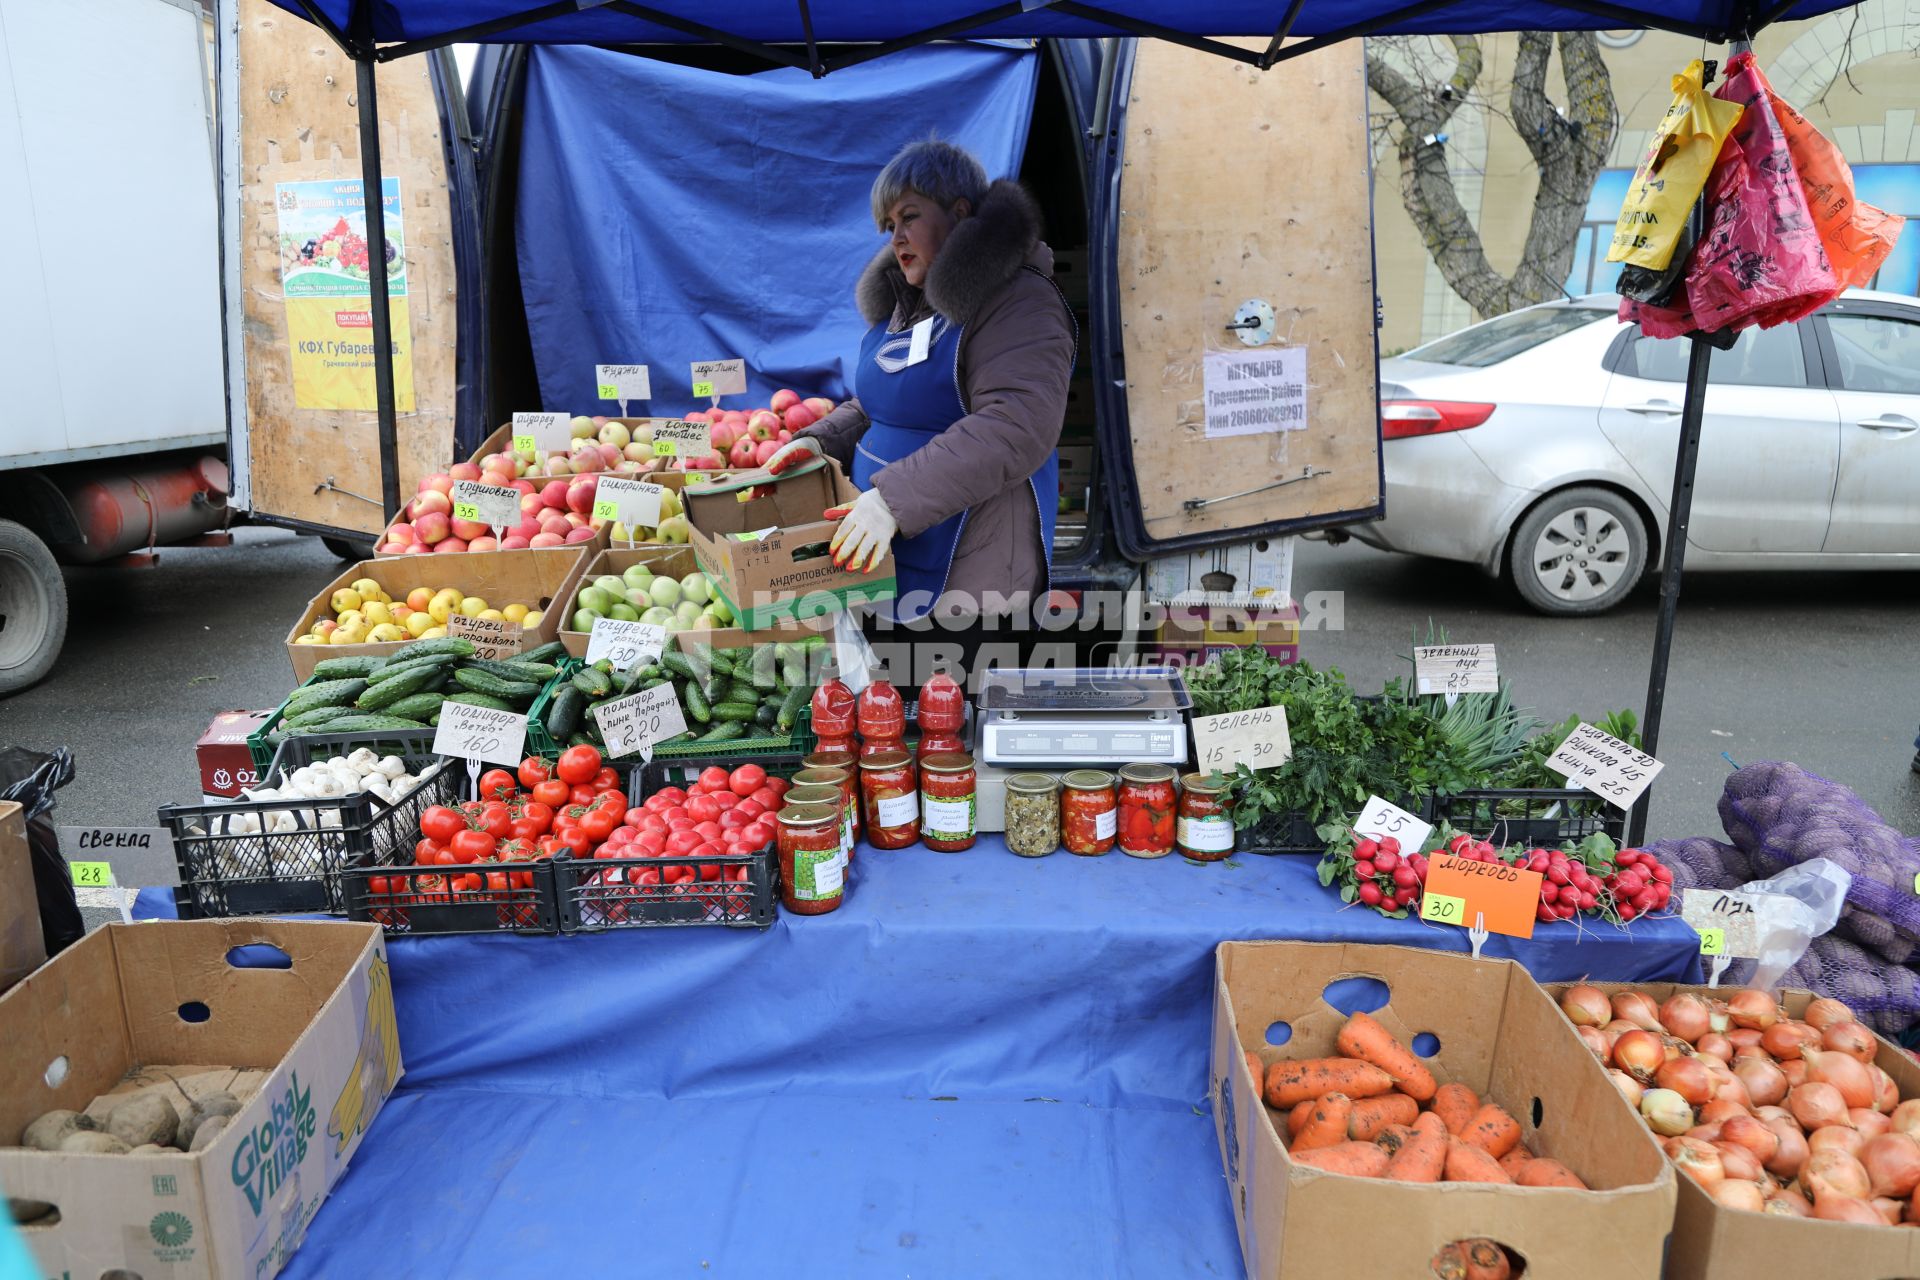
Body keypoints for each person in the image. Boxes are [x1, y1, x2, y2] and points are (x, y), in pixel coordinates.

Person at [766, 139, 1076, 626]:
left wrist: (892, 500)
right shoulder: (910, 306)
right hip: (894, 552)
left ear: (959, 212)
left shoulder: (1020, 302)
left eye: (909, 217)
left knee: (950, 699)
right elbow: (882, 404)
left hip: (970, 574)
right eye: (889, 226)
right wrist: (820, 441)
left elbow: (1016, 423)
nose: (896, 238)